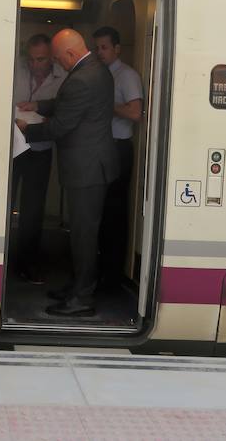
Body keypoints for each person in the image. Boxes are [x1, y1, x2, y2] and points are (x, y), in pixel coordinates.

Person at [16, 29, 118, 317]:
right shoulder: (95, 69)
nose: (58, 64)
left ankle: (82, 298)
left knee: (83, 235)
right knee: (82, 233)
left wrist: (28, 129)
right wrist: (37, 105)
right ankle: (77, 286)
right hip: (92, 166)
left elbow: (60, 126)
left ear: (71, 54)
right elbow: (66, 104)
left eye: (59, 59)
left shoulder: (83, 79)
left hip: (86, 170)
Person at [11, 34, 65, 283]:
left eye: (41, 59)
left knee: (33, 210)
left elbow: (66, 112)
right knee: (1, 204)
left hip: (40, 148)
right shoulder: (14, 67)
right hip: (10, 146)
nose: (35, 64)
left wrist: (49, 121)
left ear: (52, 57)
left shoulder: (64, 77)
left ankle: (27, 263)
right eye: (31, 59)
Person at [93, 26, 144, 287]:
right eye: (97, 48)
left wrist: (106, 104)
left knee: (114, 212)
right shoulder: (99, 74)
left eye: (104, 47)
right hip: (102, 147)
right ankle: (99, 271)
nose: (99, 52)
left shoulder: (127, 76)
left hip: (119, 147)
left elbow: (136, 113)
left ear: (117, 49)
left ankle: (112, 276)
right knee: (100, 211)